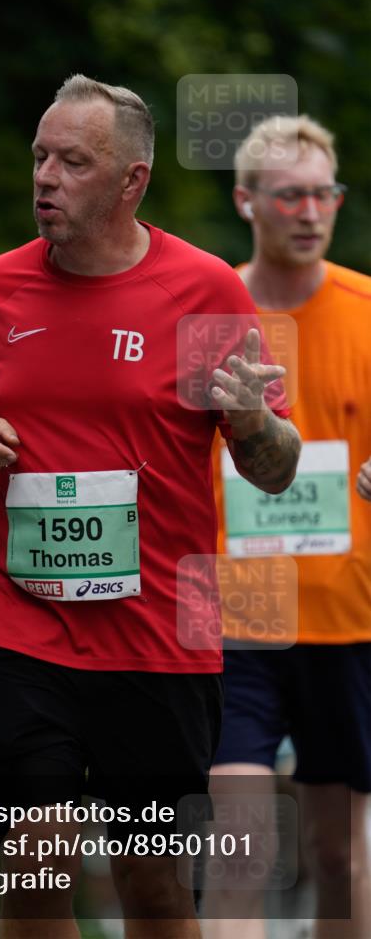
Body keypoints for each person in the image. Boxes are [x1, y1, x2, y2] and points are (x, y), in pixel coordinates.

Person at [0, 74, 301, 939]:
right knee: (37, 859)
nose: (43, 177)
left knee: (153, 887)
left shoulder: (204, 290)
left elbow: (276, 471)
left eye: (72, 161)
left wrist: (249, 419)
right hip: (21, 631)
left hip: (160, 640)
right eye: (38, 157)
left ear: (132, 180)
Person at [204, 115, 371, 939]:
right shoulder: (207, 314)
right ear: (245, 201)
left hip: (348, 620)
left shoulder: (366, 309)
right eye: (287, 195)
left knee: (338, 857)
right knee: (239, 850)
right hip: (234, 617)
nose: (309, 212)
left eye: (322, 194)